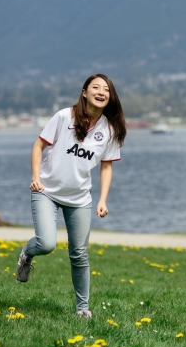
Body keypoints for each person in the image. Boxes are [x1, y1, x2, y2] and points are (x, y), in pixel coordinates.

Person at [16, 74, 126, 319]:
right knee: (46, 244)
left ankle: (82, 309)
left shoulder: (109, 129)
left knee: (79, 253)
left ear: (110, 97)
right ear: (84, 92)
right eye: (95, 87)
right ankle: (27, 253)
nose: (101, 92)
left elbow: (107, 165)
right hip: (46, 192)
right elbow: (38, 146)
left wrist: (102, 199)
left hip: (79, 199)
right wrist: (36, 177)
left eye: (106, 89)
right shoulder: (64, 116)